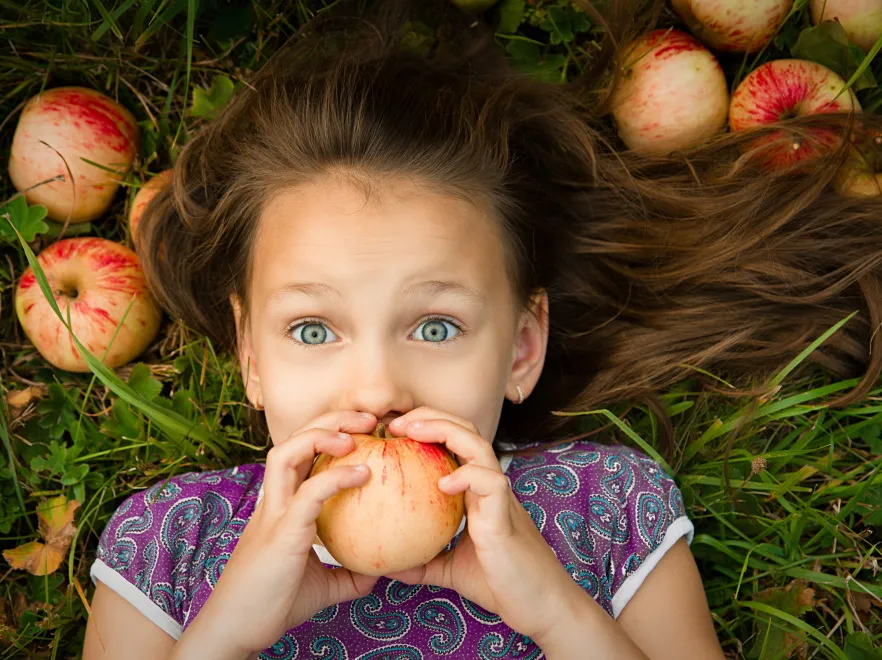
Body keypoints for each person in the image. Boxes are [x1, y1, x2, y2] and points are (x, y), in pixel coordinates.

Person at [82, 0, 882, 658]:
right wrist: (220, 636)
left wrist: (561, 615)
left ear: (522, 348)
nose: (378, 388)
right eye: (314, 330)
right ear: (251, 356)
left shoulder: (605, 515)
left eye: (434, 327)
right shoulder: (172, 551)